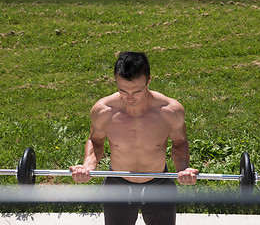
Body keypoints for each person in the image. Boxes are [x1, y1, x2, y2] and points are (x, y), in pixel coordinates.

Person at [69, 51, 199, 225]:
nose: (129, 97)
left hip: (158, 184)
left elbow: (180, 143)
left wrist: (183, 169)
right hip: (117, 186)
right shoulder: (103, 110)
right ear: (116, 81)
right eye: (123, 90)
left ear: (149, 81)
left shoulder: (170, 111)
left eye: (137, 91)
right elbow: (95, 141)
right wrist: (87, 166)